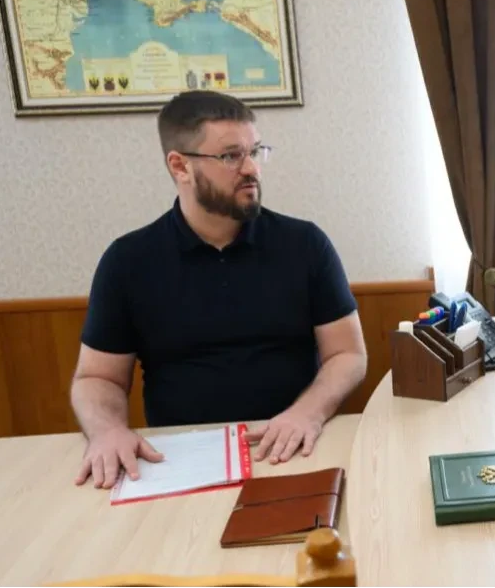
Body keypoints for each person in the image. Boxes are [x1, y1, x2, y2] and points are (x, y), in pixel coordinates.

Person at [71, 90, 367, 489]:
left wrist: (308, 413)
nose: (252, 169)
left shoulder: (305, 244)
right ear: (180, 166)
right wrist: (107, 431)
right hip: (178, 460)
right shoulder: (127, 261)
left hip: (294, 446)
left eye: (255, 151)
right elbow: (97, 378)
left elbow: (347, 354)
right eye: (231, 156)